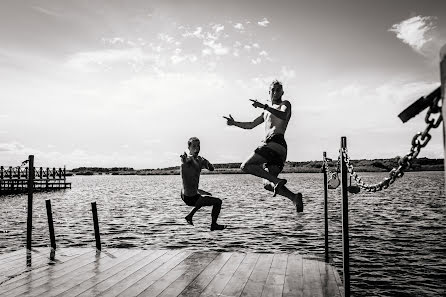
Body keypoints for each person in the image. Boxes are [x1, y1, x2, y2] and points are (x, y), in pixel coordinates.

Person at [223, 80, 303, 212]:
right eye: (273, 90)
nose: (275, 92)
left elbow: (283, 115)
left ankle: (277, 181)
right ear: (269, 92)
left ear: (282, 92)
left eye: (278, 90)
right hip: (277, 150)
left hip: (275, 142)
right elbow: (251, 125)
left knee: (245, 166)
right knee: (267, 184)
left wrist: (264, 106)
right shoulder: (265, 112)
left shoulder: (285, 104)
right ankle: (294, 197)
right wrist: (234, 123)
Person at [180, 137, 226, 231]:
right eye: (194, 146)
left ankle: (190, 215)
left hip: (188, 193)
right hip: (190, 197)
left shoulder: (200, 160)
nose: (197, 148)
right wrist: (184, 159)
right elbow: (186, 160)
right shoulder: (189, 159)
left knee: (207, 196)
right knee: (218, 202)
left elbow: (211, 168)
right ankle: (214, 225)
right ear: (189, 148)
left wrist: (206, 162)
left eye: (198, 146)